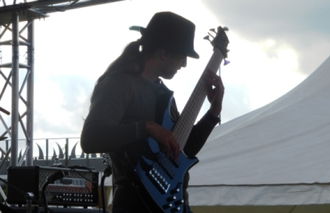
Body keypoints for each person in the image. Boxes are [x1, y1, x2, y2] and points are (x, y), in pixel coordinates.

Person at [81, 11, 224, 213]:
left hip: (172, 204)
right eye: (182, 56)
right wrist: (147, 128)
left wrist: (213, 112)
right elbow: (90, 139)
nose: (184, 64)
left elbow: (181, 151)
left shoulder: (163, 93)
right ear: (163, 53)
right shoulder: (119, 83)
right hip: (134, 205)